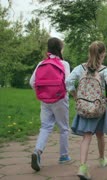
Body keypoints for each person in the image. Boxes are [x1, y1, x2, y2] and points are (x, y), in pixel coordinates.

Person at [66, 41, 107, 180]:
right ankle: (101, 158)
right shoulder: (105, 70)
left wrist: (76, 97)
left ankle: (82, 166)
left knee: (86, 137)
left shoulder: (80, 68)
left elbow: (68, 82)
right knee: (100, 134)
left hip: (84, 107)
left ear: (90, 53)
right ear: (103, 53)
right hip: (99, 107)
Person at [29, 37, 71, 171]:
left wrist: (43, 93)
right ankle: (64, 156)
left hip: (45, 101)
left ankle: (37, 151)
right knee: (63, 128)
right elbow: (68, 83)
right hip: (60, 99)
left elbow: (32, 82)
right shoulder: (64, 64)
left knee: (45, 127)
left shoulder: (41, 63)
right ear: (60, 49)